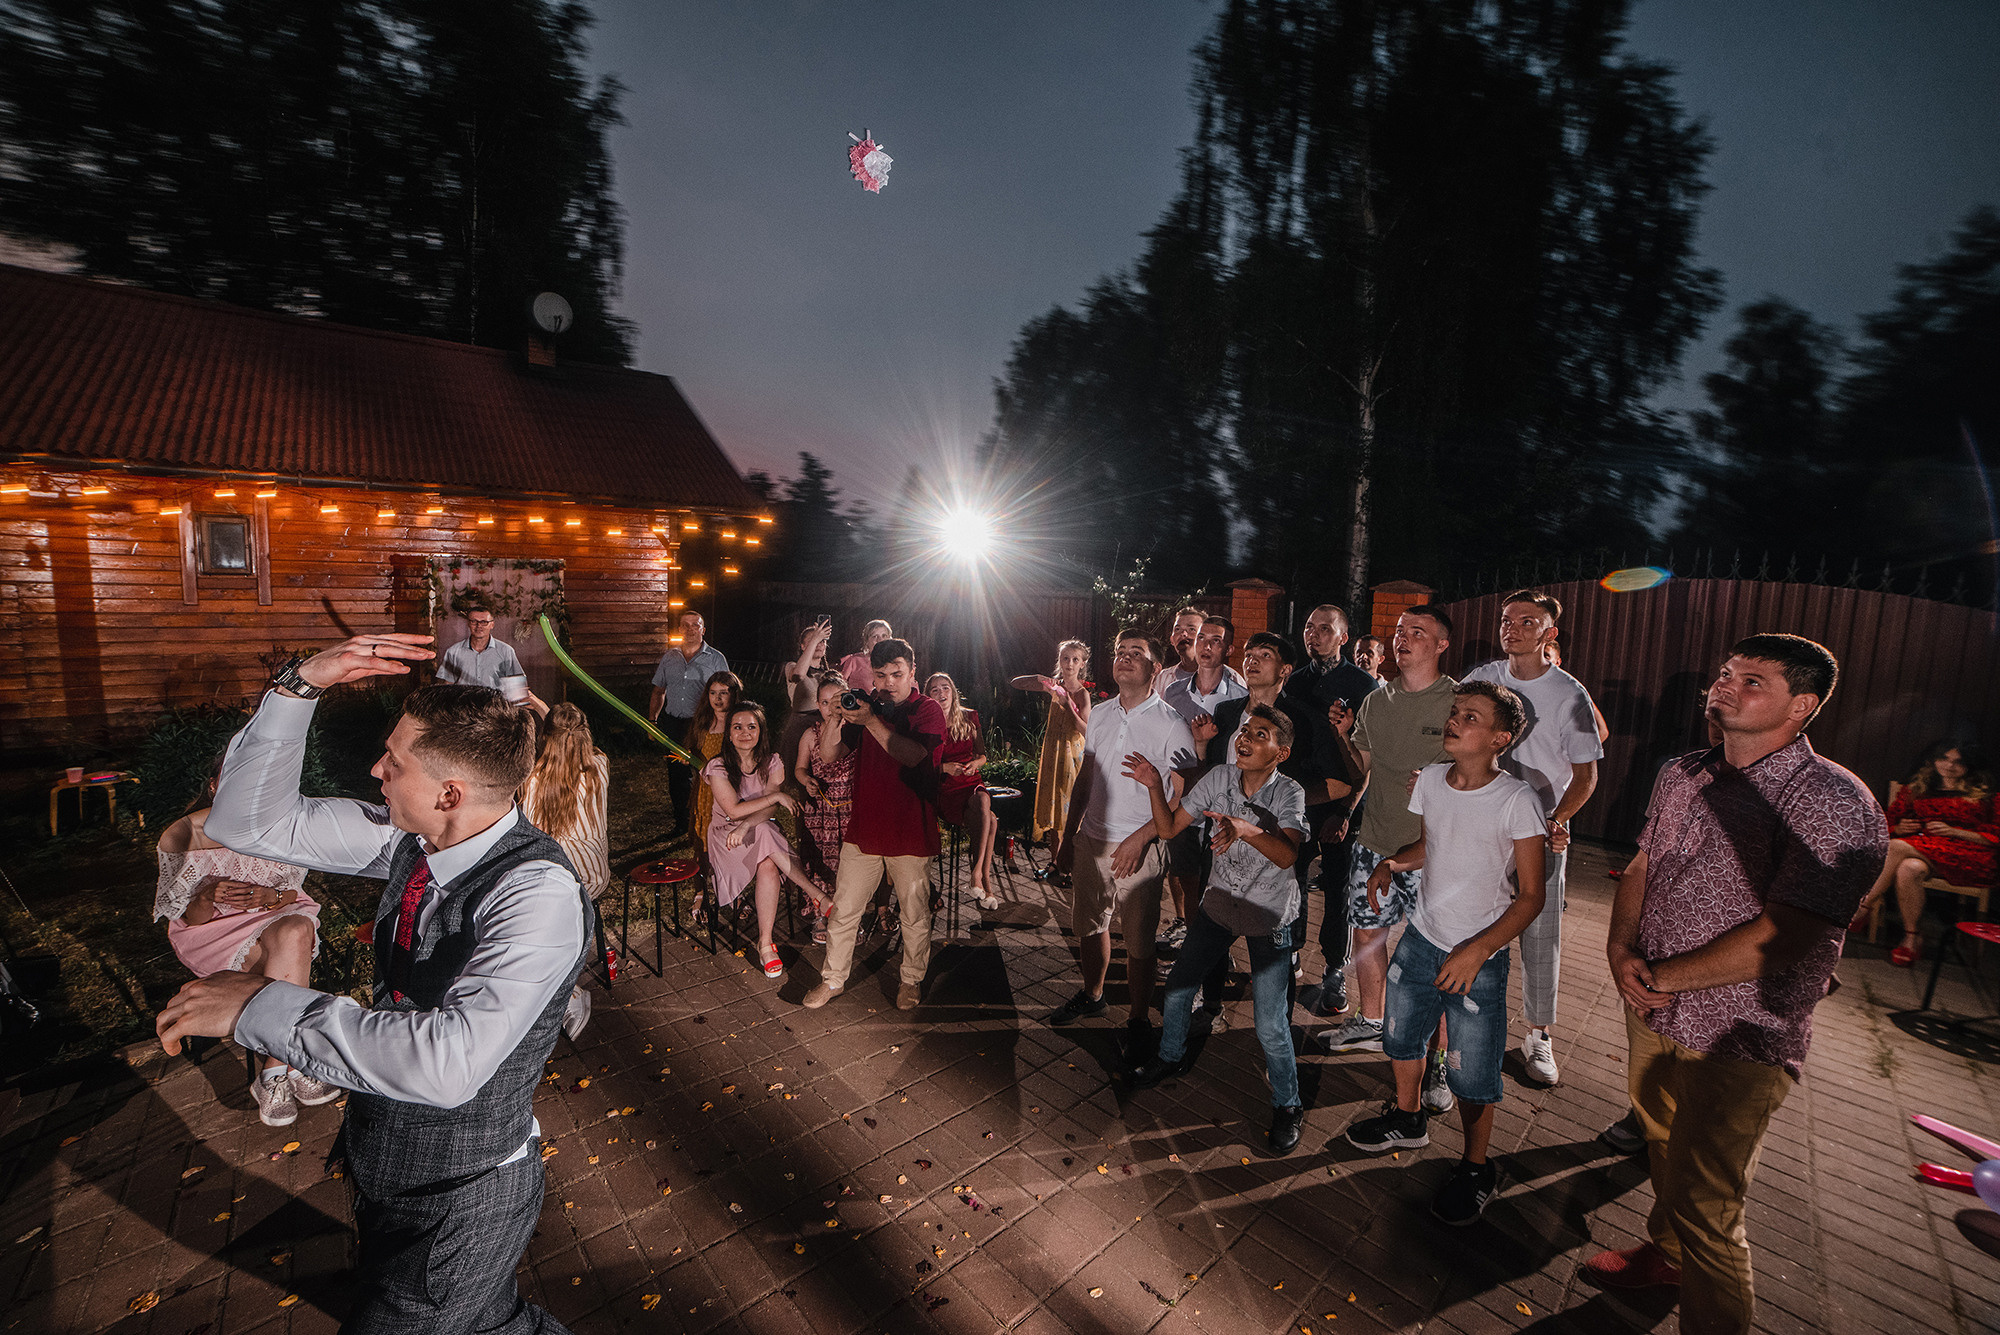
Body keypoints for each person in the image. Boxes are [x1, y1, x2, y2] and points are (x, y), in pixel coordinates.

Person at [155, 635, 592, 1335]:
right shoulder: (412, 843)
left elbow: (447, 1064)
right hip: (389, 1163)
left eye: (394, 760)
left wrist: (261, 1005)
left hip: (463, 1196)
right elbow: (249, 822)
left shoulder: (537, 894)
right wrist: (298, 686)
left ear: (449, 793)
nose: (375, 768)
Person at [1583, 635, 1883, 1335]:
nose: (1725, 685)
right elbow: (1643, 865)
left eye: (1752, 680)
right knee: (1662, 1141)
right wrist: (1621, 950)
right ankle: (1666, 1255)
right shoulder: (1684, 771)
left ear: (1801, 705)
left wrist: (1663, 974)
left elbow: (1790, 934)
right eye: (1725, 673)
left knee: (1708, 1202)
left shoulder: (1833, 800)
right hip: (1652, 1005)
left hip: (1739, 1031)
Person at [1341, 682, 1546, 1225]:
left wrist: (1478, 950)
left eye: (1471, 717)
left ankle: (1476, 1166)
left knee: (1472, 1074)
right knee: (1400, 1038)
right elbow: (1432, 844)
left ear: (1500, 738)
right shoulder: (1431, 780)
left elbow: (1532, 897)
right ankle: (1407, 1118)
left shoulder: (1517, 801)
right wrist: (1392, 863)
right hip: (1422, 939)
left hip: (1478, 958)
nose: (1454, 720)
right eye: (1456, 712)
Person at [1124, 705, 1311, 1154]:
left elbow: (1288, 856)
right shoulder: (1219, 778)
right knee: (1177, 988)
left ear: (1281, 753)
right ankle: (1170, 1057)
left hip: (1269, 916)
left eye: (1260, 734)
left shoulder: (1289, 792)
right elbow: (1168, 829)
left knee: (1269, 1025)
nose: (1245, 738)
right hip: (1220, 905)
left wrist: (1245, 829)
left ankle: (1288, 1104)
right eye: (1245, 730)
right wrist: (1154, 786)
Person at [1461, 590, 1603, 1086]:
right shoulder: (1484, 678)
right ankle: (1463, 1018)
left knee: (1540, 932)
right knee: (1471, 920)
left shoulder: (1569, 694)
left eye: (1527, 621)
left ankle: (1538, 1035)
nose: (1513, 628)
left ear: (1550, 633)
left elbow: (1586, 775)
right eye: (1507, 619)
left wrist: (1558, 821)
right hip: (1482, 823)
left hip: (1539, 829)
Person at [156, 756, 332, 1127]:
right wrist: (207, 894)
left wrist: (270, 896)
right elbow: (189, 918)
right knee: (288, 959)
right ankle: (290, 1062)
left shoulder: (279, 827)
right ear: (214, 786)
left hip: (274, 915)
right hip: (211, 932)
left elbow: (290, 892)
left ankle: (274, 1069)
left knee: (296, 931)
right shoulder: (187, 834)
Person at [1318, 606, 1458, 1062]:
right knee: (1367, 933)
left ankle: (1437, 1058)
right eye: (1399, 631)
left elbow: (1480, 769)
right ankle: (1372, 1021)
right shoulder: (1377, 700)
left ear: (1441, 644)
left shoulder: (1457, 702)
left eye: (1417, 632)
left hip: (1432, 850)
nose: (1403, 639)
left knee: (1437, 952)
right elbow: (1362, 767)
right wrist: (1343, 736)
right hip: (1374, 842)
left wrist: (1438, 780)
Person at [1050, 630, 1196, 1058]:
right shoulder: (1100, 714)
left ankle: (1138, 1019)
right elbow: (1087, 777)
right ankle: (1093, 995)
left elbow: (1185, 795)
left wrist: (1142, 837)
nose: (1125, 658)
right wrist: (1069, 835)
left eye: (1136, 653)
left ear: (1155, 668)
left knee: (1139, 942)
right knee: (1090, 925)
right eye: (1119, 652)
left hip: (1142, 847)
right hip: (1092, 840)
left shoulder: (1172, 723)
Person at [1199, 632, 1349, 1014]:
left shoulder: (1304, 719)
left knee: (1275, 947)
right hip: (1221, 842)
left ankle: (1276, 1029)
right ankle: (1210, 1007)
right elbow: (1213, 774)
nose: (1252, 660)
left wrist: (1282, 802)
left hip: (1274, 850)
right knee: (1212, 931)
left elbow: (1339, 783)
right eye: (1249, 653)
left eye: (1264, 655)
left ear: (1285, 670)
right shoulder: (1226, 713)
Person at [803, 637, 948, 1012]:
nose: (888, 683)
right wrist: (835, 717)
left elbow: (912, 755)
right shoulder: (867, 706)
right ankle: (832, 980)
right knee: (845, 909)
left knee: (914, 914)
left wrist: (870, 721)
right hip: (864, 829)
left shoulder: (927, 709)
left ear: (912, 672)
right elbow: (830, 754)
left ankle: (910, 980)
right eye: (880, 675)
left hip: (910, 830)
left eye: (897, 674)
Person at [1284, 604, 1381, 1016]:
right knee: (1293, 879)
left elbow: (1370, 759)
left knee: (1339, 887)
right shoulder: (1294, 682)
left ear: (1343, 637)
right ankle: (1291, 953)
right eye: (1310, 627)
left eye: (1325, 629)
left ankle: (1333, 968)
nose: (1314, 634)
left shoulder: (1364, 685)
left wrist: (1345, 812)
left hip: (1345, 804)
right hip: (1303, 798)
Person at [704, 702, 833, 977]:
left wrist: (748, 824)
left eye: (752, 726)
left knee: (768, 863)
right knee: (765, 832)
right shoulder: (718, 766)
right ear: (729, 734)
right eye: (737, 727)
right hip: (727, 838)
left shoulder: (772, 762)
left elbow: (769, 810)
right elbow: (732, 811)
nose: (745, 732)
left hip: (756, 831)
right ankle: (817, 895)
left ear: (761, 731)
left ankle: (765, 944)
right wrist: (774, 797)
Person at [1853, 740, 1997, 965]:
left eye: (1958, 762)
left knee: (1898, 846)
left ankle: (1863, 908)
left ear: (1970, 765)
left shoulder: (1986, 794)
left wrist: (1955, 832)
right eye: (1944, 759)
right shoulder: (1918, 789)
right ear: (1934, 760)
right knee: (1908, 868)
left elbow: (1995, 835)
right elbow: (1886, 823)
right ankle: (1912, 937)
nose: (1949, 766)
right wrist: (1899, 828)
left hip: (1969, 855)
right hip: (1926, 851)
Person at [520, 702, 612, 1039]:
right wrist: (547, 711)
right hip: (593, 873)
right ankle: (557, 993)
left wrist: (538, 709)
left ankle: (568, 994)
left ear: (546, 738)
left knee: (532, 925)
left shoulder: (533, 779)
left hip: (561, 875)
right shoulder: (599, 766)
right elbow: (568, 733)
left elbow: (531, 835)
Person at [1158, 616, 1248, 953]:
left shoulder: (1240, 697)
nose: (1206, 646)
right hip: (1182, 801)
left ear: (1229, 648)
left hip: (1220, 807)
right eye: (1202, 638)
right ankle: (1194, 948)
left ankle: (1215, 954)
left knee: (1218, 885)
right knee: (1188, 880)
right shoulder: (1174, 692)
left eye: (1215, 640)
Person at [649, 610, 729, 832]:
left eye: (696, 625)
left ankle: (714, 818)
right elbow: (658, 691)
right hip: (674, 725)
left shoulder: (716, 659)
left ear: (703, 630)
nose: (691, 629)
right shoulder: (669, 658)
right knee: (677, 775)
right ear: (679, 630)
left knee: (708, 771)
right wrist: (652, 721)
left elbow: (727, 694)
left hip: (704, 725)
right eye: (685, 625)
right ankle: (682, 823)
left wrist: (723, 723)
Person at [927, 672, 1001, 910]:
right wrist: (944, 768)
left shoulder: (969, 717)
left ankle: (977, 874)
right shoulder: (927, 722)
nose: (941, 693)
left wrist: (974, 764)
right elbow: (921, 763)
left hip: (971, 782)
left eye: (945, 687)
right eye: (935, 689)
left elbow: (982, 756)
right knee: (991, 820)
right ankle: (984, 880)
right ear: (929, 696)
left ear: (953, 691)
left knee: (982, 801)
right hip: (946, 788)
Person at [1020, 640, 1093, 874]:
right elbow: (1016, 682)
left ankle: (1071, 864)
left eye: (1075, 659)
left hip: (1071, 754)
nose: (1069, 663)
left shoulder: (1082, 694)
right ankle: (1055, 862)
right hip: (1053, 752)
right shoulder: (1054, 687)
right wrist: (1039, 679)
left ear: (1082, 664)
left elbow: (1086, 730)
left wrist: (1067, 704)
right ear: (1059, 661)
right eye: (1065, 658)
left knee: (1069, 807)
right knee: (1054, 806)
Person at [795, 674, 857, 945]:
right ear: (817, 705)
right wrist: (806, 780)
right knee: (820, 862)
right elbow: (799, 768)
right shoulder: (811, 734)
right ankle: (820, 914)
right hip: (821, 812)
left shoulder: (856, 730)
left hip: (851, 810)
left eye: (836, 700)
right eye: (824, 702)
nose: (831, 707)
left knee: (849, 866)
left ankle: (849, 918)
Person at [684, 671, 743, 852]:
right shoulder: (703, 721)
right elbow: (694, 746)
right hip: (705, 787)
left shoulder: (738, 723)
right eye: (713, 693)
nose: (717, 698)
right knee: (704, 832)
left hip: (729, 786)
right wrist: (688, 755)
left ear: (734, 694)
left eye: (723, 693)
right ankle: (703, 864)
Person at [435, 605, 523, 690]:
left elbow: (517, 685)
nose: (479, 626)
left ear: (492, 624)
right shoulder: (453, 652)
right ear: (468, 623)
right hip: (464, 699)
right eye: (474, 621)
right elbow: (448, 684)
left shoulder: (506, 651)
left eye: (484, 622)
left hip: (494, 700)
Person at [785, 616, 835, 714]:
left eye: (822, 641)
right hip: (803, 720)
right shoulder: (791, 666)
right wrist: (815, 639)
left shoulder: (828, 674)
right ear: (803, 646)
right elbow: (798, 675)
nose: (818, 644)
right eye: (813, 640)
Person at [837, 619, 895, 692]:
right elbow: (838, 687)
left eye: (884, 636)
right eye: (875, 636)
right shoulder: (854, 660)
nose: (880, 640)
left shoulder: (896, 662)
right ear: (867, 641)